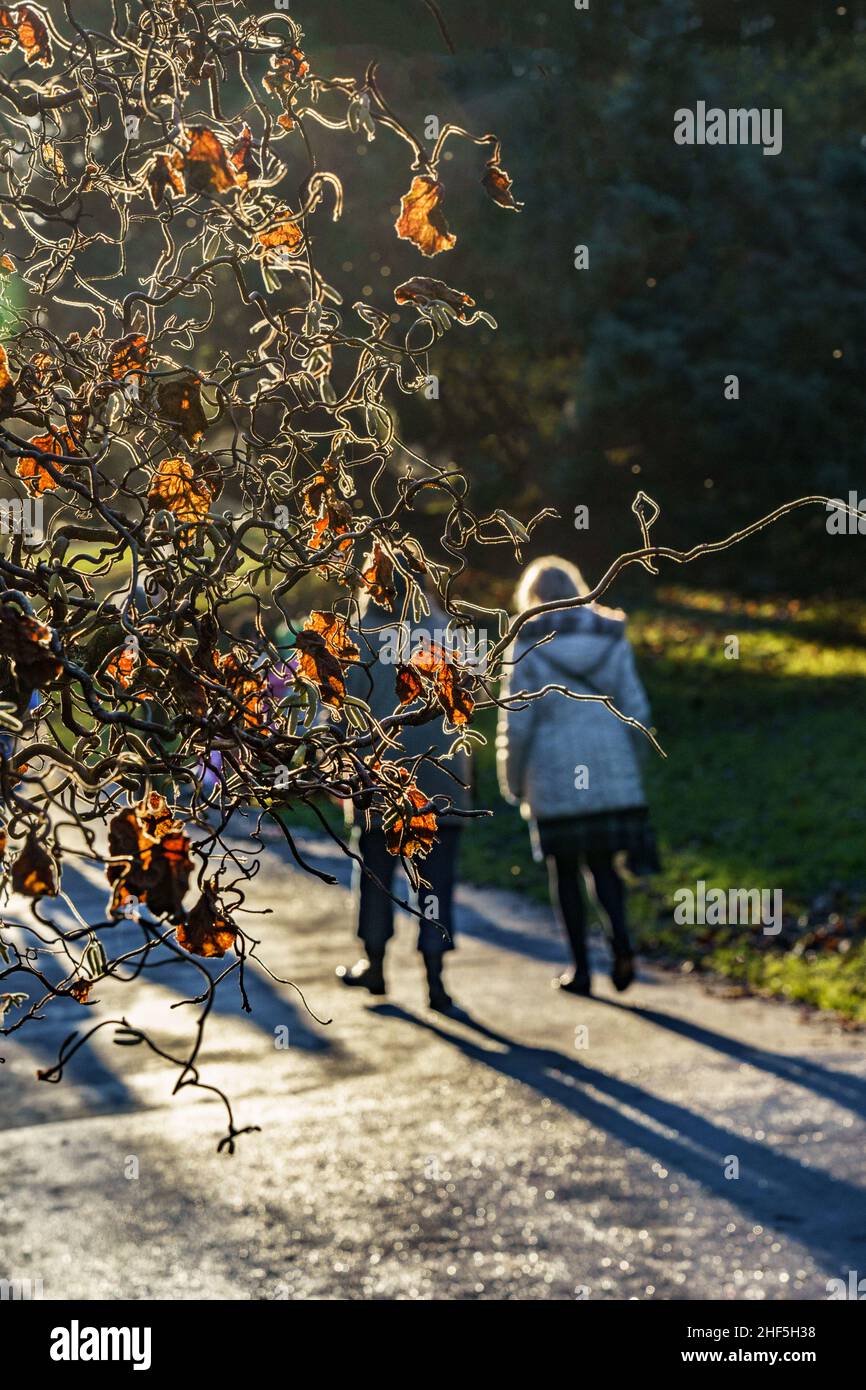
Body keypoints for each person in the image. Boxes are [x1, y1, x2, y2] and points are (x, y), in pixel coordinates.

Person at [496, 556, 658, 996]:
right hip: (610, 766)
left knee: (564, 871)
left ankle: (581, 969)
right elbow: (636, 708)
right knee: (605, 866)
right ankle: (622, 946)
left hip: (554, 772)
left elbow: (518, 720)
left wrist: (511, 780)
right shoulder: (610, 633)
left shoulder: (526, 639)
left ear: (532, 598)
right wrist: (633, 767)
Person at [337, 574, 470, 1012]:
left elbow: (340, 706)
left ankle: (374, 966)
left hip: (380, 776)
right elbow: (471, 702)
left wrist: (333, 763)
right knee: (435, 883)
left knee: (376, 873)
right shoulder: (448, 630)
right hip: (442, 778)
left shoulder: (360, 636)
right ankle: (436, 981)